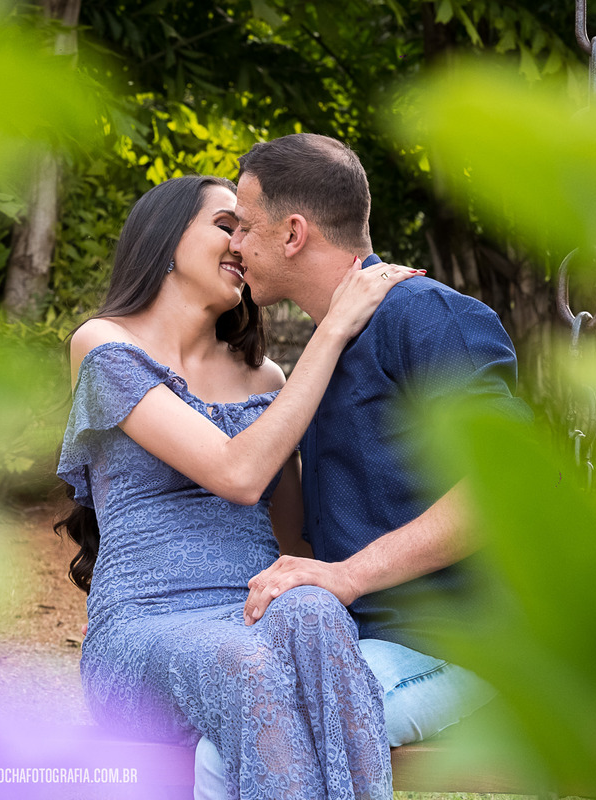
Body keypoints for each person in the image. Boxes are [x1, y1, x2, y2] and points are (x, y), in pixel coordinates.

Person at [56, 173, 422, 799]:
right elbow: (238, 473)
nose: (241, 243)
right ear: (166, 239)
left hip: (252, 613)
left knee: (316, 611)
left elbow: (292, 542)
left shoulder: (265, 380)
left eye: (247, 230)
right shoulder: (103, 346)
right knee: (248, 664)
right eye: (226, 225)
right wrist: (333, 328)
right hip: (146, 629)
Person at [193, 134, 530, 797]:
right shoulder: (327, 351)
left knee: (259, 740)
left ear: (294, 234)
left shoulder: (425, 316)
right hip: (350, 643)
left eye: (246, 227)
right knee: (224, 736)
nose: (235, 246)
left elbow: (505, 490)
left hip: (452, 644)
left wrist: (348, 576)